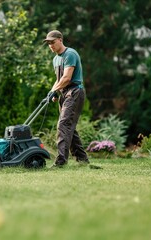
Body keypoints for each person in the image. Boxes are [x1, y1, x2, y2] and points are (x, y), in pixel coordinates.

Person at [43, 30, 89, 167]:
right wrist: (53, 93)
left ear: (60, 40)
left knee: (63, 125)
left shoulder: (70, 54)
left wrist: (54, 90)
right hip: (64, 93)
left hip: (75, 92)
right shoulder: (55, 59)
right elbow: (59, 79)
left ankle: (61, 162)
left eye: (52, 42)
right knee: (69, 127)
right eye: (48, 43)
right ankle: (82, 160)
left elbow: (67, 78)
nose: (50, 45)